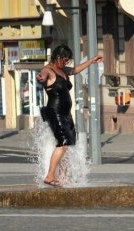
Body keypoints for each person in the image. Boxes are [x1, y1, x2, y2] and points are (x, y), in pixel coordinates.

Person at [36, 44, 103, 186]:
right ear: (57, 57)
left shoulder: (63, 70)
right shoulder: (48, 70)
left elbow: (76, 70)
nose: (65, 62)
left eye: (67, 60)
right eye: (64, 59)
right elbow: (43, 76)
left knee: (69, 144)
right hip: (55, 112)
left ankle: (62, 176)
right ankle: (49, 176)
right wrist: (40, 78)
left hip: (65, 114)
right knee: (63, 144)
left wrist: (91, 60)